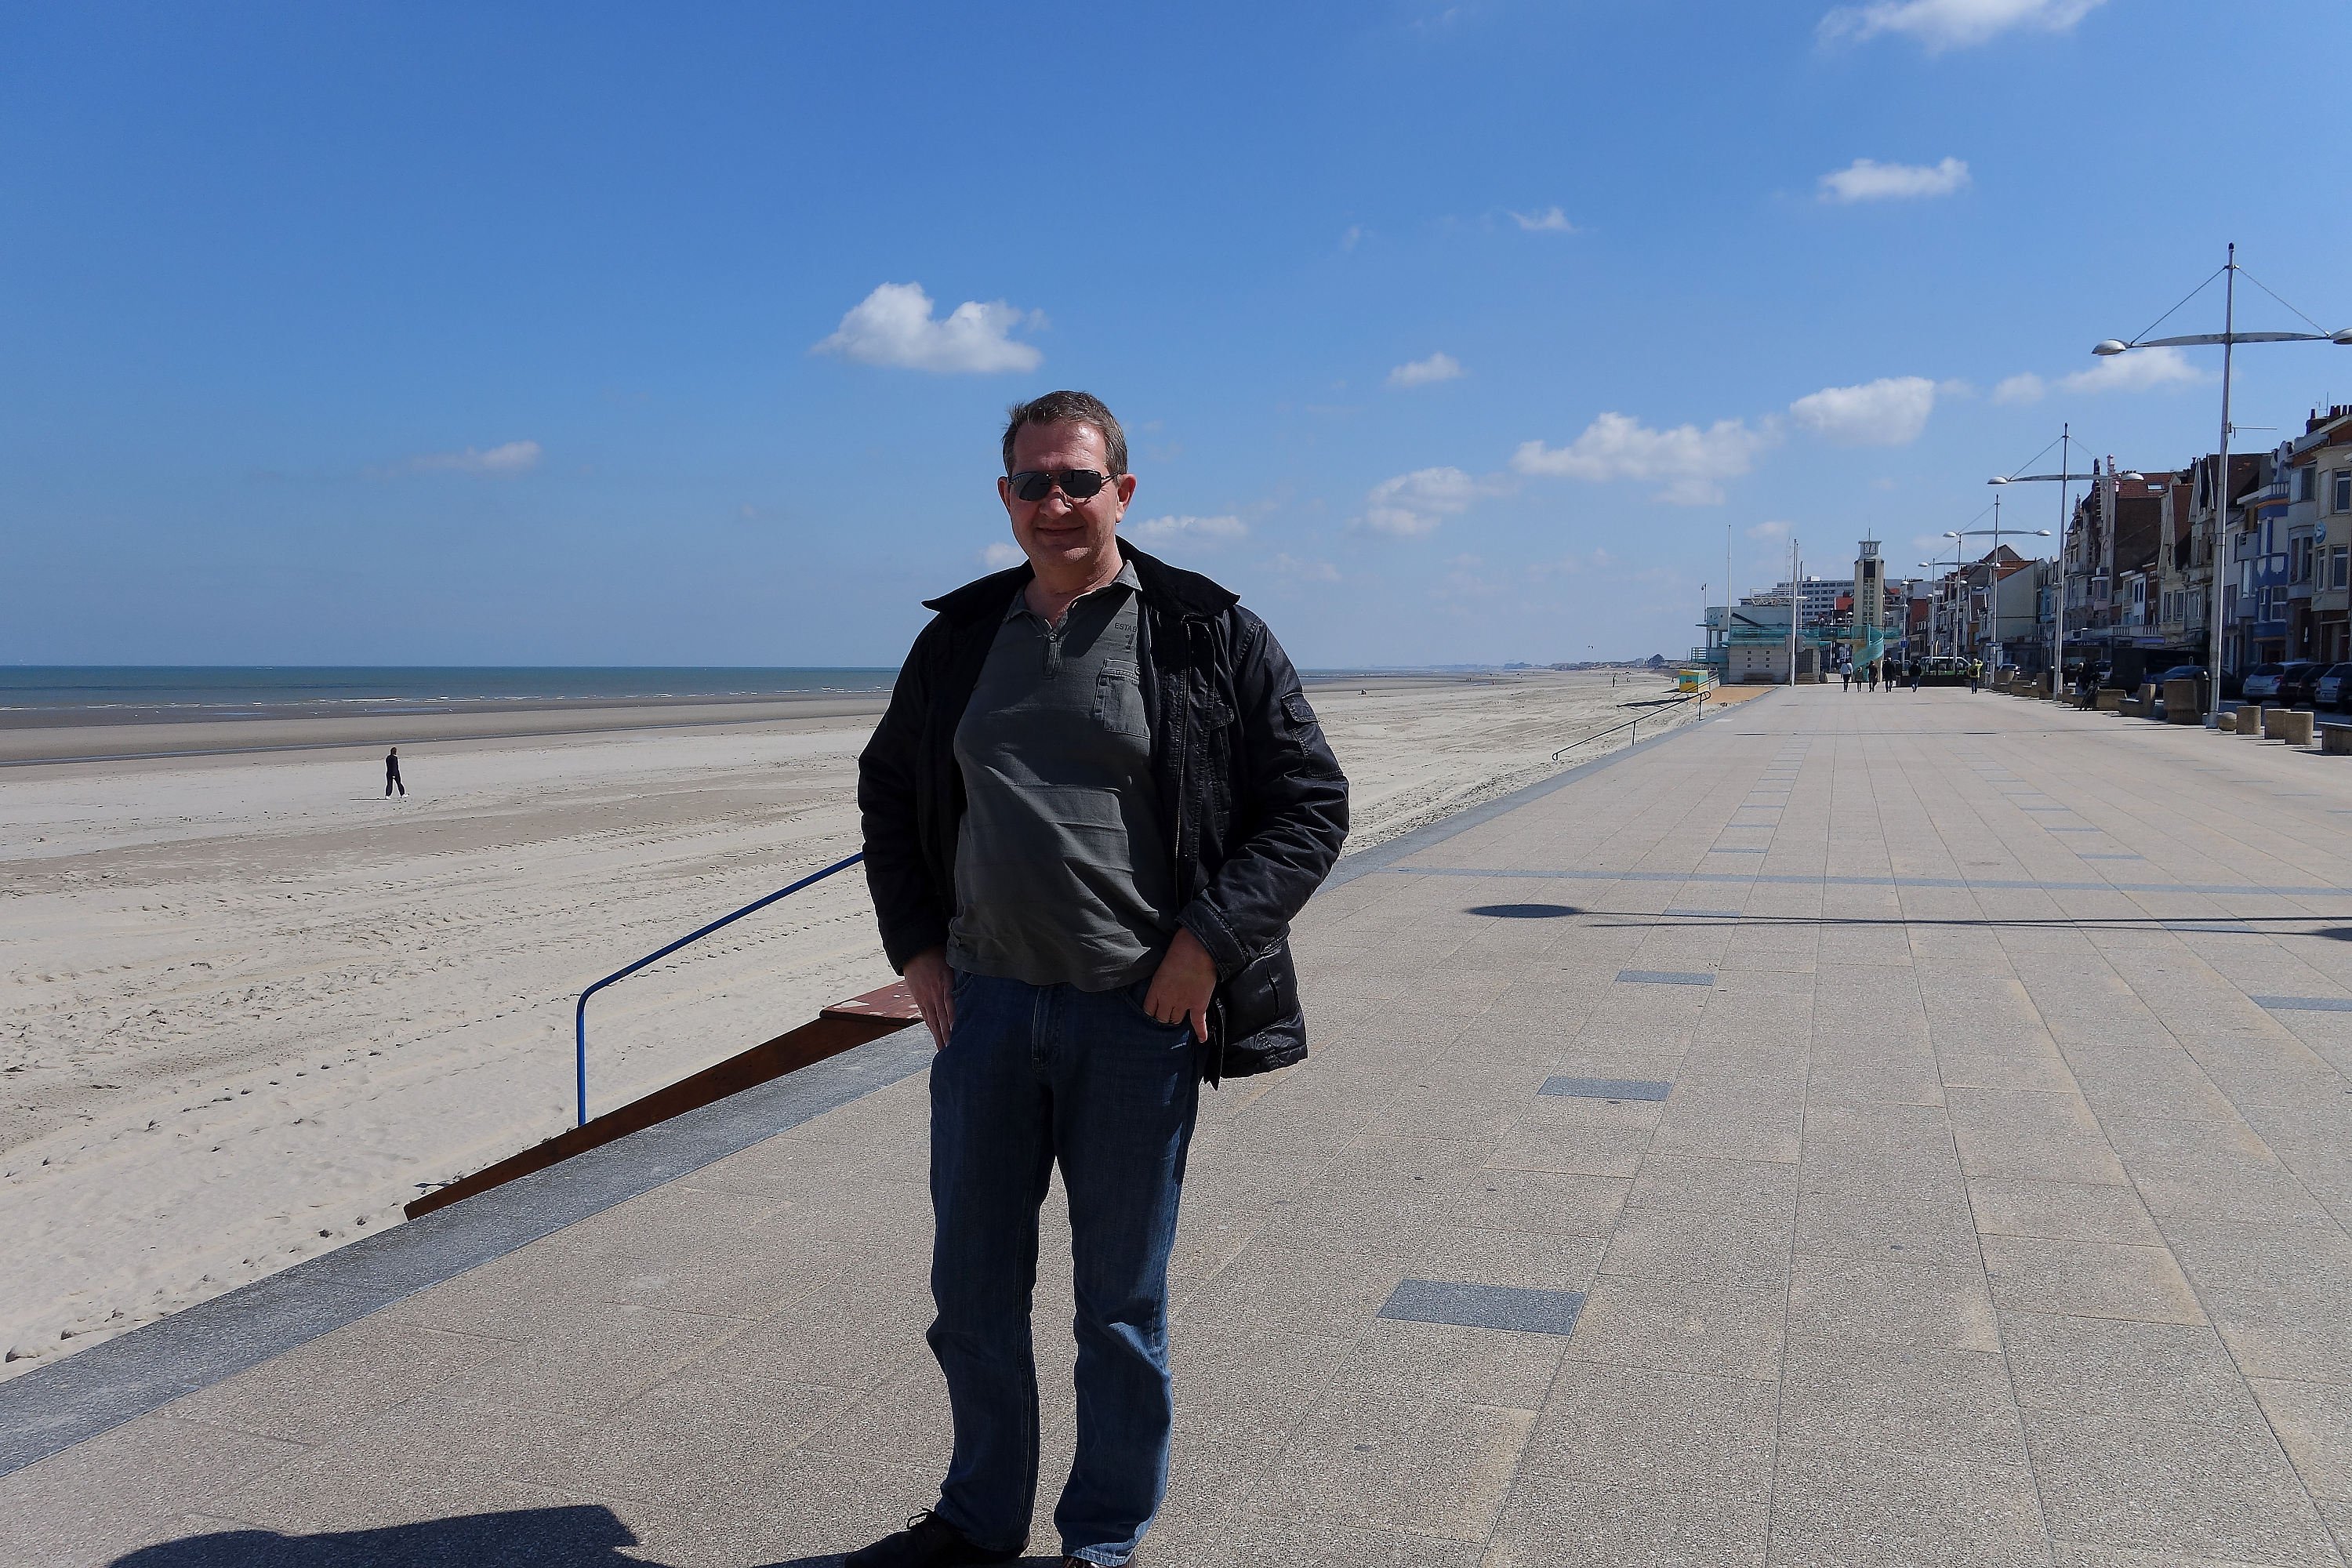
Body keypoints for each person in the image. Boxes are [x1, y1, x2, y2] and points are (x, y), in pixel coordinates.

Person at [853, 390, 1349, 1568]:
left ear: (1123, 491)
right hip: (987, 1011)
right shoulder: (960, 638)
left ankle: (1102, 1538)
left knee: (1118, 1307)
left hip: (1138, 1016)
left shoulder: (1204, 631)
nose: (1057, 503)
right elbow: (888, 790)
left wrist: (1204, 946)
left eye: (1079, 480)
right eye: (1034, 482)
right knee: (972, 1295)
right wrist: (917, 950)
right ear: (1005, 497)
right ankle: (979, 1521)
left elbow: (1309, 804)